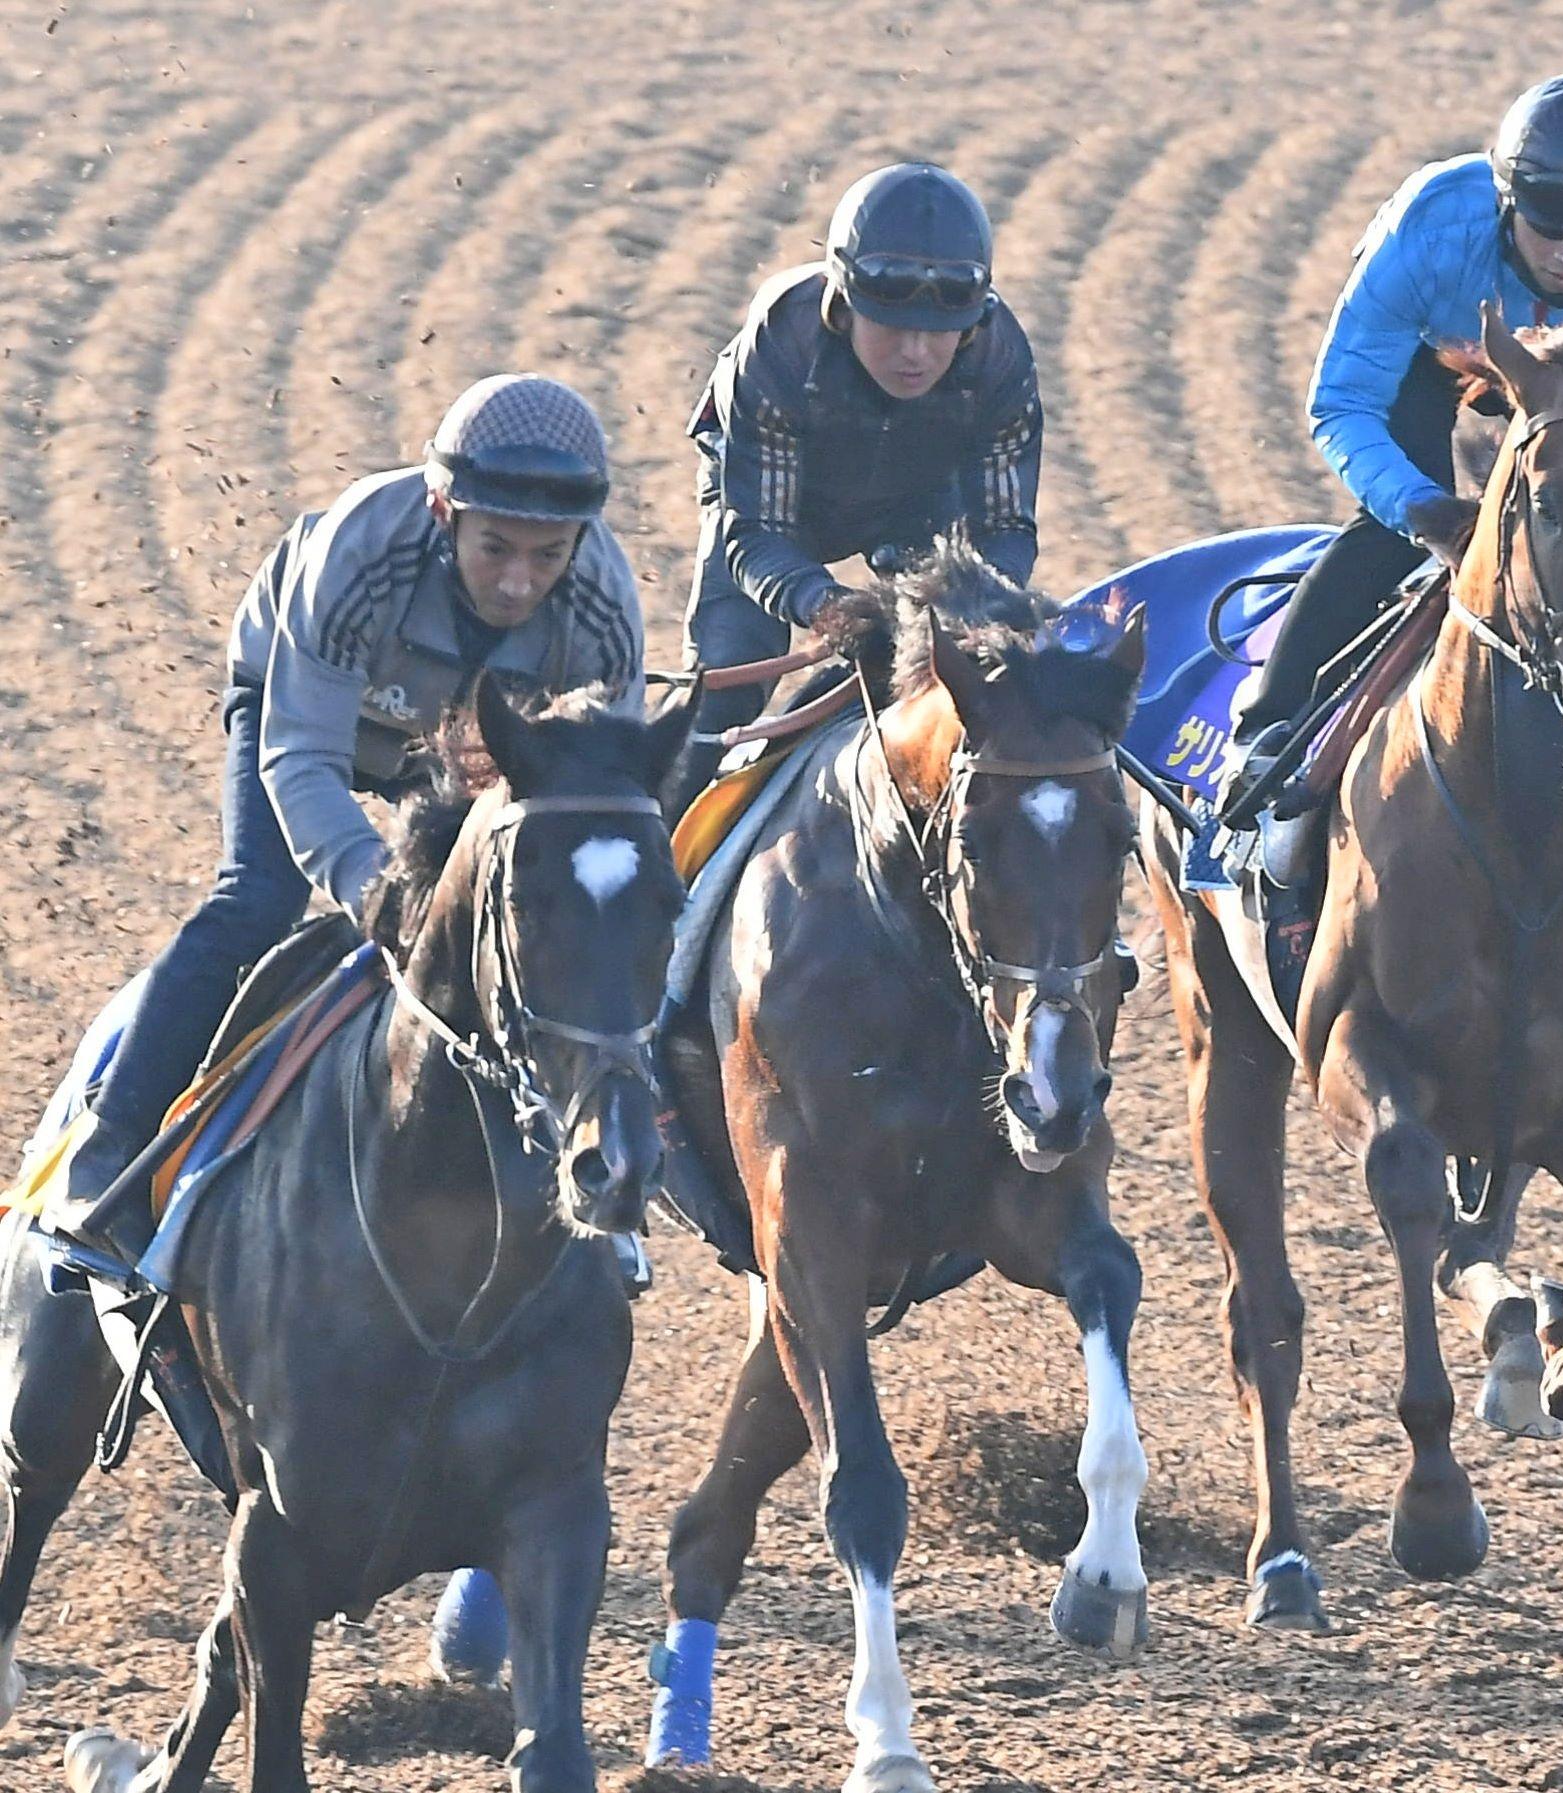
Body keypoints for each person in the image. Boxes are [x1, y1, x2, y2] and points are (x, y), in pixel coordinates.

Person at [49, 374, 647, 1266]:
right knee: (256, 899)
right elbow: (302, 758)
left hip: (465, 741)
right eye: (496, 549)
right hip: (312, 709)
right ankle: (107, 1154)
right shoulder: (362, 552)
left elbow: (597, 807)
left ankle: (596, 1167)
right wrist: (379, 890)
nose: (521, 581)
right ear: (444, 509)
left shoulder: (602, 610)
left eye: (549, 554)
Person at [1222, 71, 1563, 872]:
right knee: (1391, 535)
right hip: (1435, 361)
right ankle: (1271, 731)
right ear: (1508, 200)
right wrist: (1423, 511)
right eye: (1548, 230)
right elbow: (1343, 403)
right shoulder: (1431, 229)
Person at [673, 160, 1044, 800]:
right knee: (726, 686)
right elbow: (756, 531)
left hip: (917, 500)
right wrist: (828, 608)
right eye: (892, 327)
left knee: (952, 674)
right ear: (841, 308)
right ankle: (671, 857)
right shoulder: (779, 340)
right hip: (770, 503)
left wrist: (972, 609)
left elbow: (1005, 531)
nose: (916, 354)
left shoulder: (1001, 358)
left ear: (975, 321)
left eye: (941, 334)